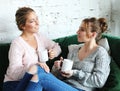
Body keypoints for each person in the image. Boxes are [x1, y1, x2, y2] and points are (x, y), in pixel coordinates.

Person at [3, 7, 62, 91]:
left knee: (41, 76)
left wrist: (53, 53)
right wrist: (34, 67)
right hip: (15, 84)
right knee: (40, 73)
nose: (37, 23)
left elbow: (57, 47)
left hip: (35, 80)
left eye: (37, 19)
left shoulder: (39, 37)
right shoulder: (17, 44)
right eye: (32, 21)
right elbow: (13, 73)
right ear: (22, 26)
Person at [51, 17, 111, 91]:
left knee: (41, 77)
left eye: (82, 30)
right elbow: (59, 77)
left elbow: (99, 81)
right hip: (65, 85)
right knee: (39, 72)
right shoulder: (74, 49)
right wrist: (58, 68)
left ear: (93, 34)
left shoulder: (101, 53)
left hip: (81, 89)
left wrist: (75, 73)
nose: (77, 32)